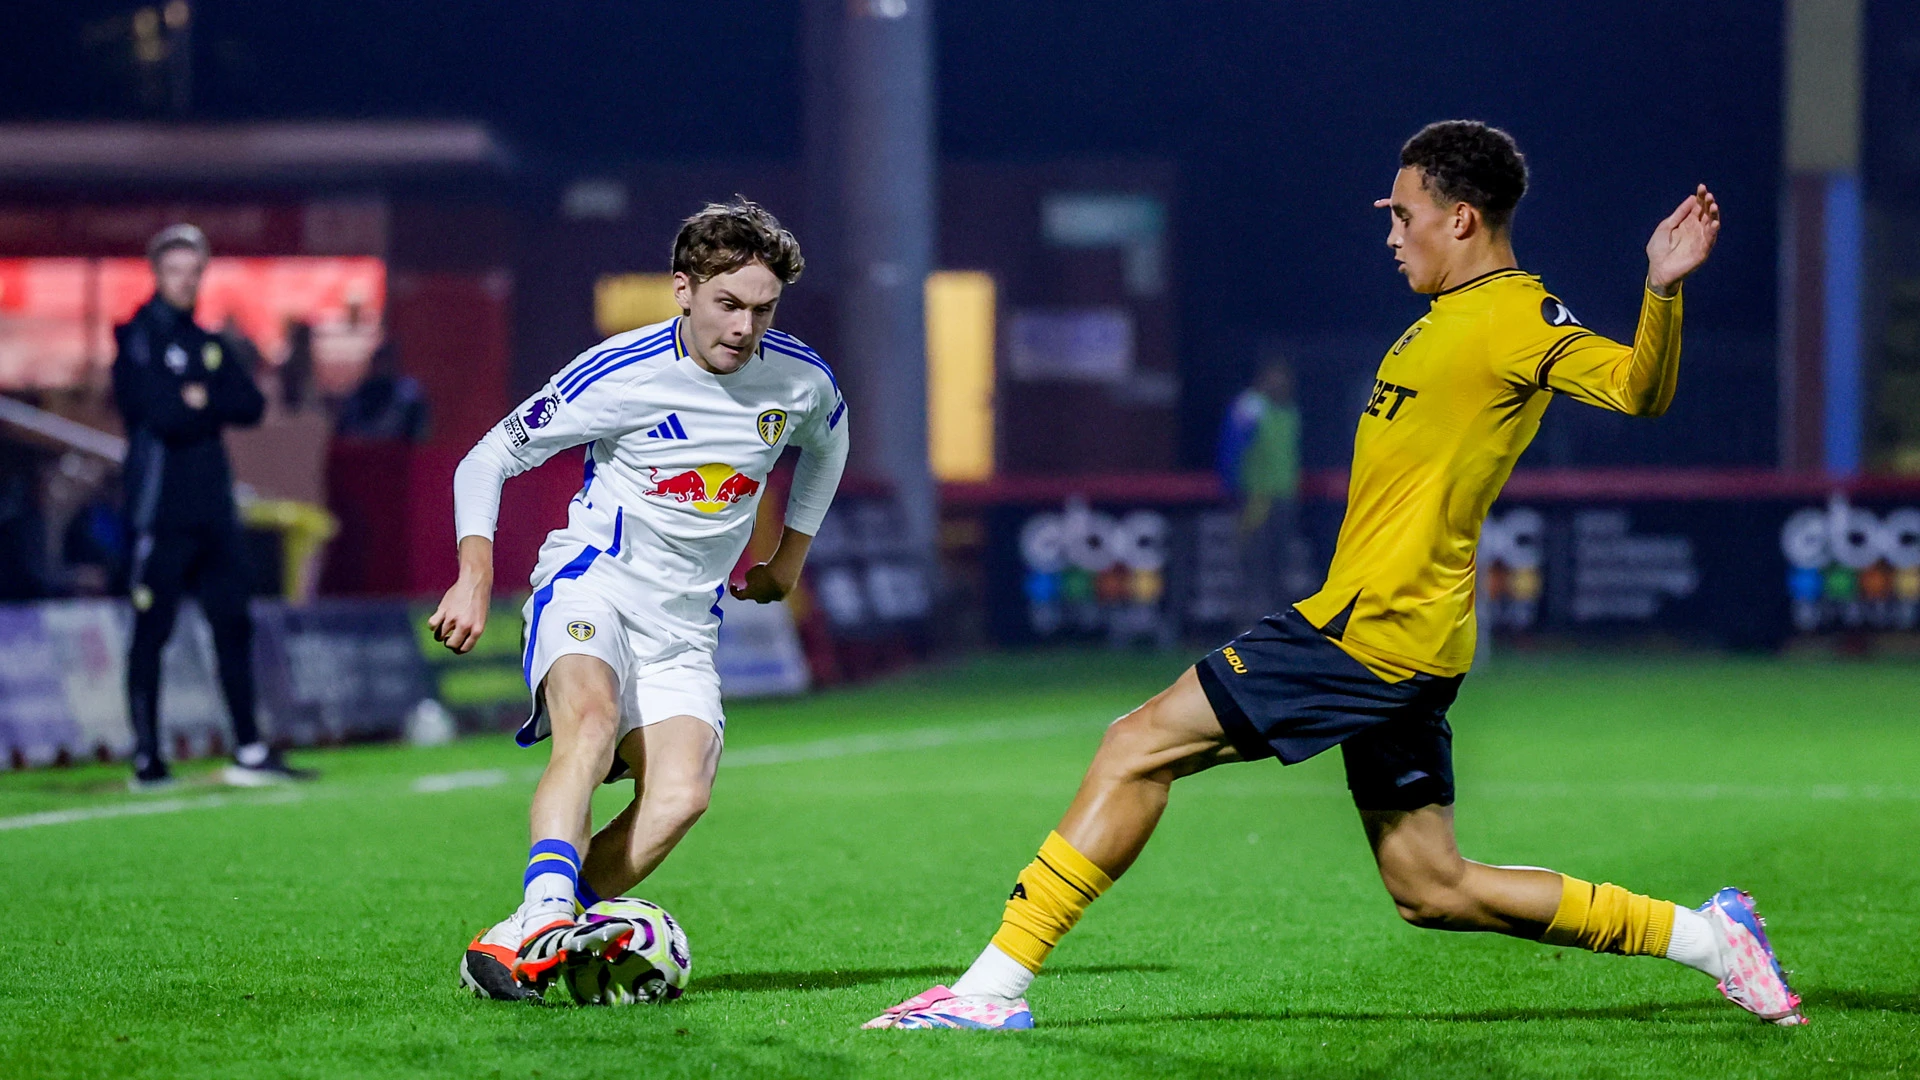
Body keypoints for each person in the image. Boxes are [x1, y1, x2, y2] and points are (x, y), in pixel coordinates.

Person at [867, 122, 1803, 1031]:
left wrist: (1662, 291)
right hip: (1405, 637)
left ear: (1462, 219)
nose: (1392, 234)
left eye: (1403, 214)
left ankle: (991, 987)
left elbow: (1640, 388)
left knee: (1135, 744)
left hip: (1371, 634)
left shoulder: (1519, 317)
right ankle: (1711, 939)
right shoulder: (1440, 322)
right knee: (1432, 889)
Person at [430, 199, 849, 1001]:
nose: (743, 327)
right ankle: (550, 912)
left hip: (685, 627)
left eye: (762, 309)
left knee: (683, 795)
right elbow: (485, 460)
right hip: (595, 585)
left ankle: (528, 940)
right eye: (728, 304)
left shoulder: (798, 379)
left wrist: (788, 559)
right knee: (587, 722)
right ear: (683, 289)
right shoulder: (620, 372)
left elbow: (831, 445)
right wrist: (474, 574)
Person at [111, 224, 315, 791]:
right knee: (153, 629)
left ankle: (249, 747)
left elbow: (248, 404)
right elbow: (157, 413)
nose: (186, 281)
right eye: (176, 271)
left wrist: (196, 398)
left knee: (233, 624)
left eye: (194, 271)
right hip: (160, 510)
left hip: (214, 510)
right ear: (158, 273)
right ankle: (148, 757)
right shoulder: (137, 336)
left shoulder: (206, 341)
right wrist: (198, 401)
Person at [1217, 358, 1303, 619]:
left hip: (1284, 496)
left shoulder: (1290, 411)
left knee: (1280, 561)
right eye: (1275, 376)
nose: (1281, 383)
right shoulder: (1251, 407)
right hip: (1256, 496)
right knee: (1253, 559)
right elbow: (1230, 447)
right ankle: (1247, 619)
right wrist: (1231, 488)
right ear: (1263, 378)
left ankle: (1276, 620)